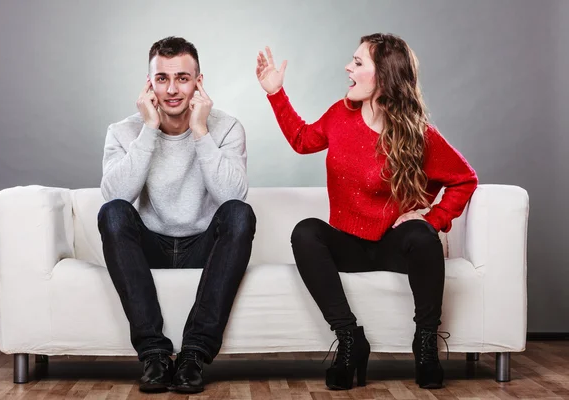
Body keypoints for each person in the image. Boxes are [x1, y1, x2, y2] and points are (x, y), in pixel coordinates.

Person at [256, 33, 478, 390]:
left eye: (358, 63)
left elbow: (464, 179)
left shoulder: (418, 133)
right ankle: (349, 341)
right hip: (348, 244)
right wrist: (274, 93)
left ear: (384, 76)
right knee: (305, 232)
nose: (348, 67)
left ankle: (425, 345)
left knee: (423, 235)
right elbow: (302, 140)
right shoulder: (340, 115)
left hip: (393, 244)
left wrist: (434, 218)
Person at [98, 36, 256, 394]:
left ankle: (194, 355)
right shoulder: (123, 131)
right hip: (150, 245)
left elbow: (234, 196)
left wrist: (200, 131)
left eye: (183, 78)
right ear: (148, 84)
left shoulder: (226, 127)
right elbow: (114, 198)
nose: (172, 89)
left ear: (199, 82)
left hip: (202, 246)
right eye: (162, 78)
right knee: (114, 212)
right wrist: (149, 129)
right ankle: (154, 354)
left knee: (239, 214)